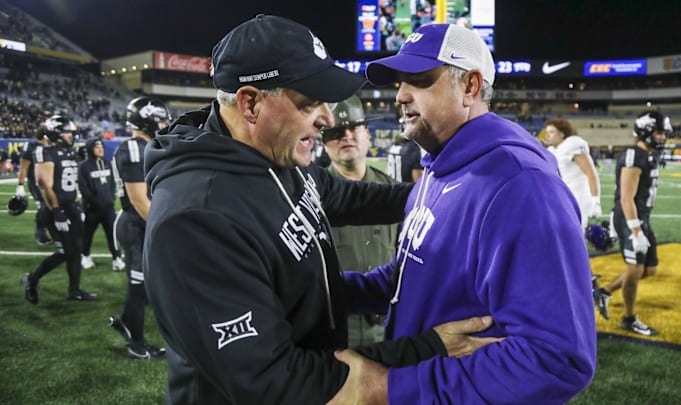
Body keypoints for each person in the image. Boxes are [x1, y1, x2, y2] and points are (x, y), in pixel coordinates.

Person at [142, 15, 498, 405]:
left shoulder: (273, 159)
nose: (328, 119)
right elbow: (274, 380)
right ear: (250, 103)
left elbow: (351, 198)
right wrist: (428, 349)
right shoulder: (196, 220)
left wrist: (448, 192)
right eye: (309, 103)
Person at [329, 23, 596, 404]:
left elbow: (557, 359)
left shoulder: (521, 186)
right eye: (400, 82)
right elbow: (409, 278)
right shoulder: (438, 168)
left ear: (470, 87)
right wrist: (322, 291)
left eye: (419, 80)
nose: (401, 95)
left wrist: (389, 387)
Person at [322, 95, 398, 346]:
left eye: (353, 128)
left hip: (387, 332)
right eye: (336, 132)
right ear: (323, 142)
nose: (346, 136)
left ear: (368, 134)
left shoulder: (392, 192)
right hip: (335, 333)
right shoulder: (309, 196)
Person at [593, 110, 671, 336]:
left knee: (649, 269)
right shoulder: (633, 155)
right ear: (645, 132)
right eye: (658, 133)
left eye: (664, 133)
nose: (663, 138)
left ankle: (604, 292)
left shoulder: (649, 155)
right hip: (630, 218)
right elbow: (626, 197)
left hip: (641, 218)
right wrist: (635, 230)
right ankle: (628, 318)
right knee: (635, 269)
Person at [108, 96, 170, 359]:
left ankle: (125, 321)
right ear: (144, 119)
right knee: (139, 286)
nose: (163, 123)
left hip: (144, 221)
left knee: (148, 286)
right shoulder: (133, 148)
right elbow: (138, 198)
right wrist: (164, 229)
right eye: (158, 118)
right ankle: (137, 343)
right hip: (135, 224)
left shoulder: (149, 145)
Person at [21, 115, 98, 304]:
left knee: (76, 249)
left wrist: (77, 201)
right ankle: (32, 279)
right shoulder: (45, 152)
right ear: (55, 133)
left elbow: (69, 181)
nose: (71, 135)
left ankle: (75, 290)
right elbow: (45, 185)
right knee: (65, 250)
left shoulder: (70, 152)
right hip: (56, 209)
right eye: (67, 132)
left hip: (72, 206)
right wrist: (57, 211)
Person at [544, 118, 602, 229]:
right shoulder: (551, 150)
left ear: (561, 134)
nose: (547, 135)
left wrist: (596, 200)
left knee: (576, 234)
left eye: (551, 132)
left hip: (578, 198)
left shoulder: (572, 144)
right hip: (561, 197)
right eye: (547, 132)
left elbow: (591, 173)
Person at [77, 138, 124, 271]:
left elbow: (112, 184)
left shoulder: (108, 163)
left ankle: (117, 258)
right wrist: (95, 201)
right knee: (88, 234)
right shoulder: (84, 167)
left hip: (108, 208)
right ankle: (85, 256)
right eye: (97, 147)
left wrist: (110, 199)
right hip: (91, 209)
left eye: (101, 147)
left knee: (113, 235)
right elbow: (84, 188)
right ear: (91, 149)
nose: (100, 149)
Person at [15, 134, 53, 245]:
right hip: (37, 183)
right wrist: (20, 186)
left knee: (52, 208)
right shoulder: (32, 146)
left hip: (50, 181)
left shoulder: (51, 146)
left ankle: (54, 234)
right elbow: (24, 167)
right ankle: (41, 234)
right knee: (44, 207)